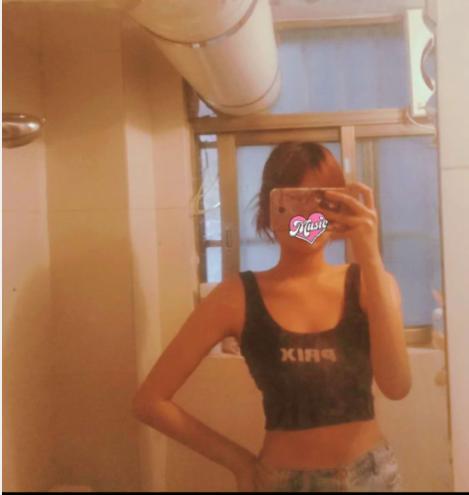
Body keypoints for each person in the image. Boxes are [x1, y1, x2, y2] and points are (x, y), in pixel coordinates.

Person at [132, 142, 412, 492]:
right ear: (268, 209)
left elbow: (396, 386)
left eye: (322, 199)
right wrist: (238, 462)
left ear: (341, 204)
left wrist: (368, 252)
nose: (308, 216)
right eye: (294, 200)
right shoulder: (236, 297)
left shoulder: (371, 283)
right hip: (283, 482)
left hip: (372, 478)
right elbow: (149, 401)